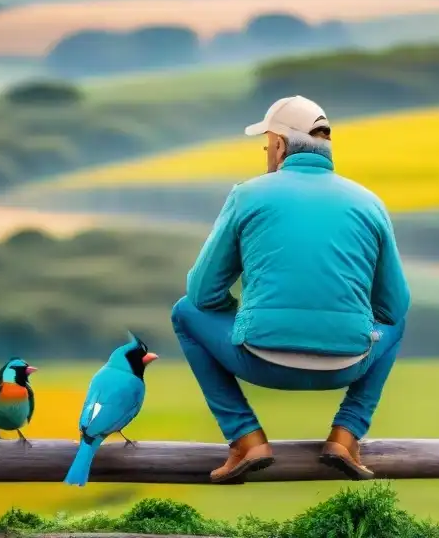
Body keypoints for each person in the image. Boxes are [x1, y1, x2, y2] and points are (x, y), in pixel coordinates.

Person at [170, 95, 411, 484]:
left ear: (280, 145)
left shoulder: (247, 194)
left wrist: (244, 317)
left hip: (259, 360)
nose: (267, 152)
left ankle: (245, 439)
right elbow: (394, 307)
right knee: (396, 325)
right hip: (347, 364)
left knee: (184, 312)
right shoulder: (370, 203)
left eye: (267, 143)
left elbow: (201, 295)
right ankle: (346, 435)